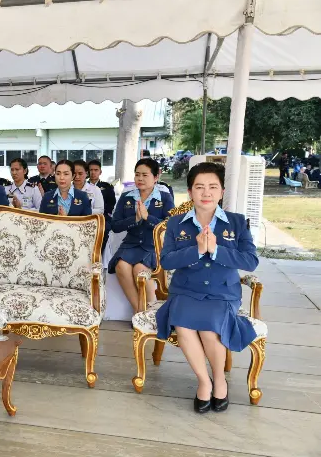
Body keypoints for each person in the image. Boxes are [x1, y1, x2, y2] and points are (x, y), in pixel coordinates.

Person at [155, 162, 258, 413]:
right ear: (190, 192)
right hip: (186, 290)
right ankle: (204, 381)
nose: (206, 192)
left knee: (211, 329)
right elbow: (166, 261)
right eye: (199, 187)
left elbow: (250, 261)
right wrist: (198, 250)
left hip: (223, 292)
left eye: (213, 186)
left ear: (222, 191)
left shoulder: (237, 223)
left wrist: (216, 250)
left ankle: (220, 380)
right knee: (183, 324)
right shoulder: (176, 223)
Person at [108, 158, 175, 314]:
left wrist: (147, 218)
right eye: (137, 174)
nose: (140, 178)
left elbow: (170, 227)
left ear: (156, 177)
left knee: (140, 270)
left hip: (153, 245)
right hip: (131, 244)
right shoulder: (126, 197)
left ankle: (151, 312)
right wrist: (135, 219)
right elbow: (115, 226)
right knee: (121, 266)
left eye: (145, 175)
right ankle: (139, 311)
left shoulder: (165, 198)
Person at [88, 159, 116, 250]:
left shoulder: (107, 187)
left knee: (104, 230)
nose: (93, 172)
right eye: (91, 170)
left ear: (100, 172)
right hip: (86, 215)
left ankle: (99, 253)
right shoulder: (83, 186)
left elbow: (111, 204)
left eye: (96, 170)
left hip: (103, 216)